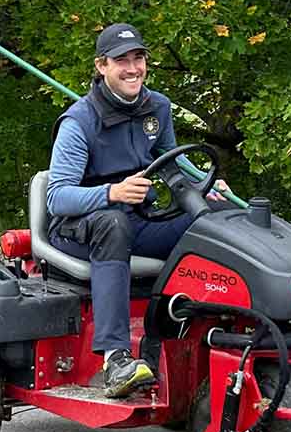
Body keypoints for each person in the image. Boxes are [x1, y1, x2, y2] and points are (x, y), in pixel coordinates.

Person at [46, 23, 230, 398]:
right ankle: (116, 359)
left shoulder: (158, 107)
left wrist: (204, 189)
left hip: (139, 222)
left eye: (138, 59)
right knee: (114, 224)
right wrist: (112, 192)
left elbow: (173, 169)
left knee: (211, 222)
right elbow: (57, 198)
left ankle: (202, 338)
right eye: (121, 61)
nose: (132, 68)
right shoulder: (79, 121)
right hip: (79, 228)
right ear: (102, 66)